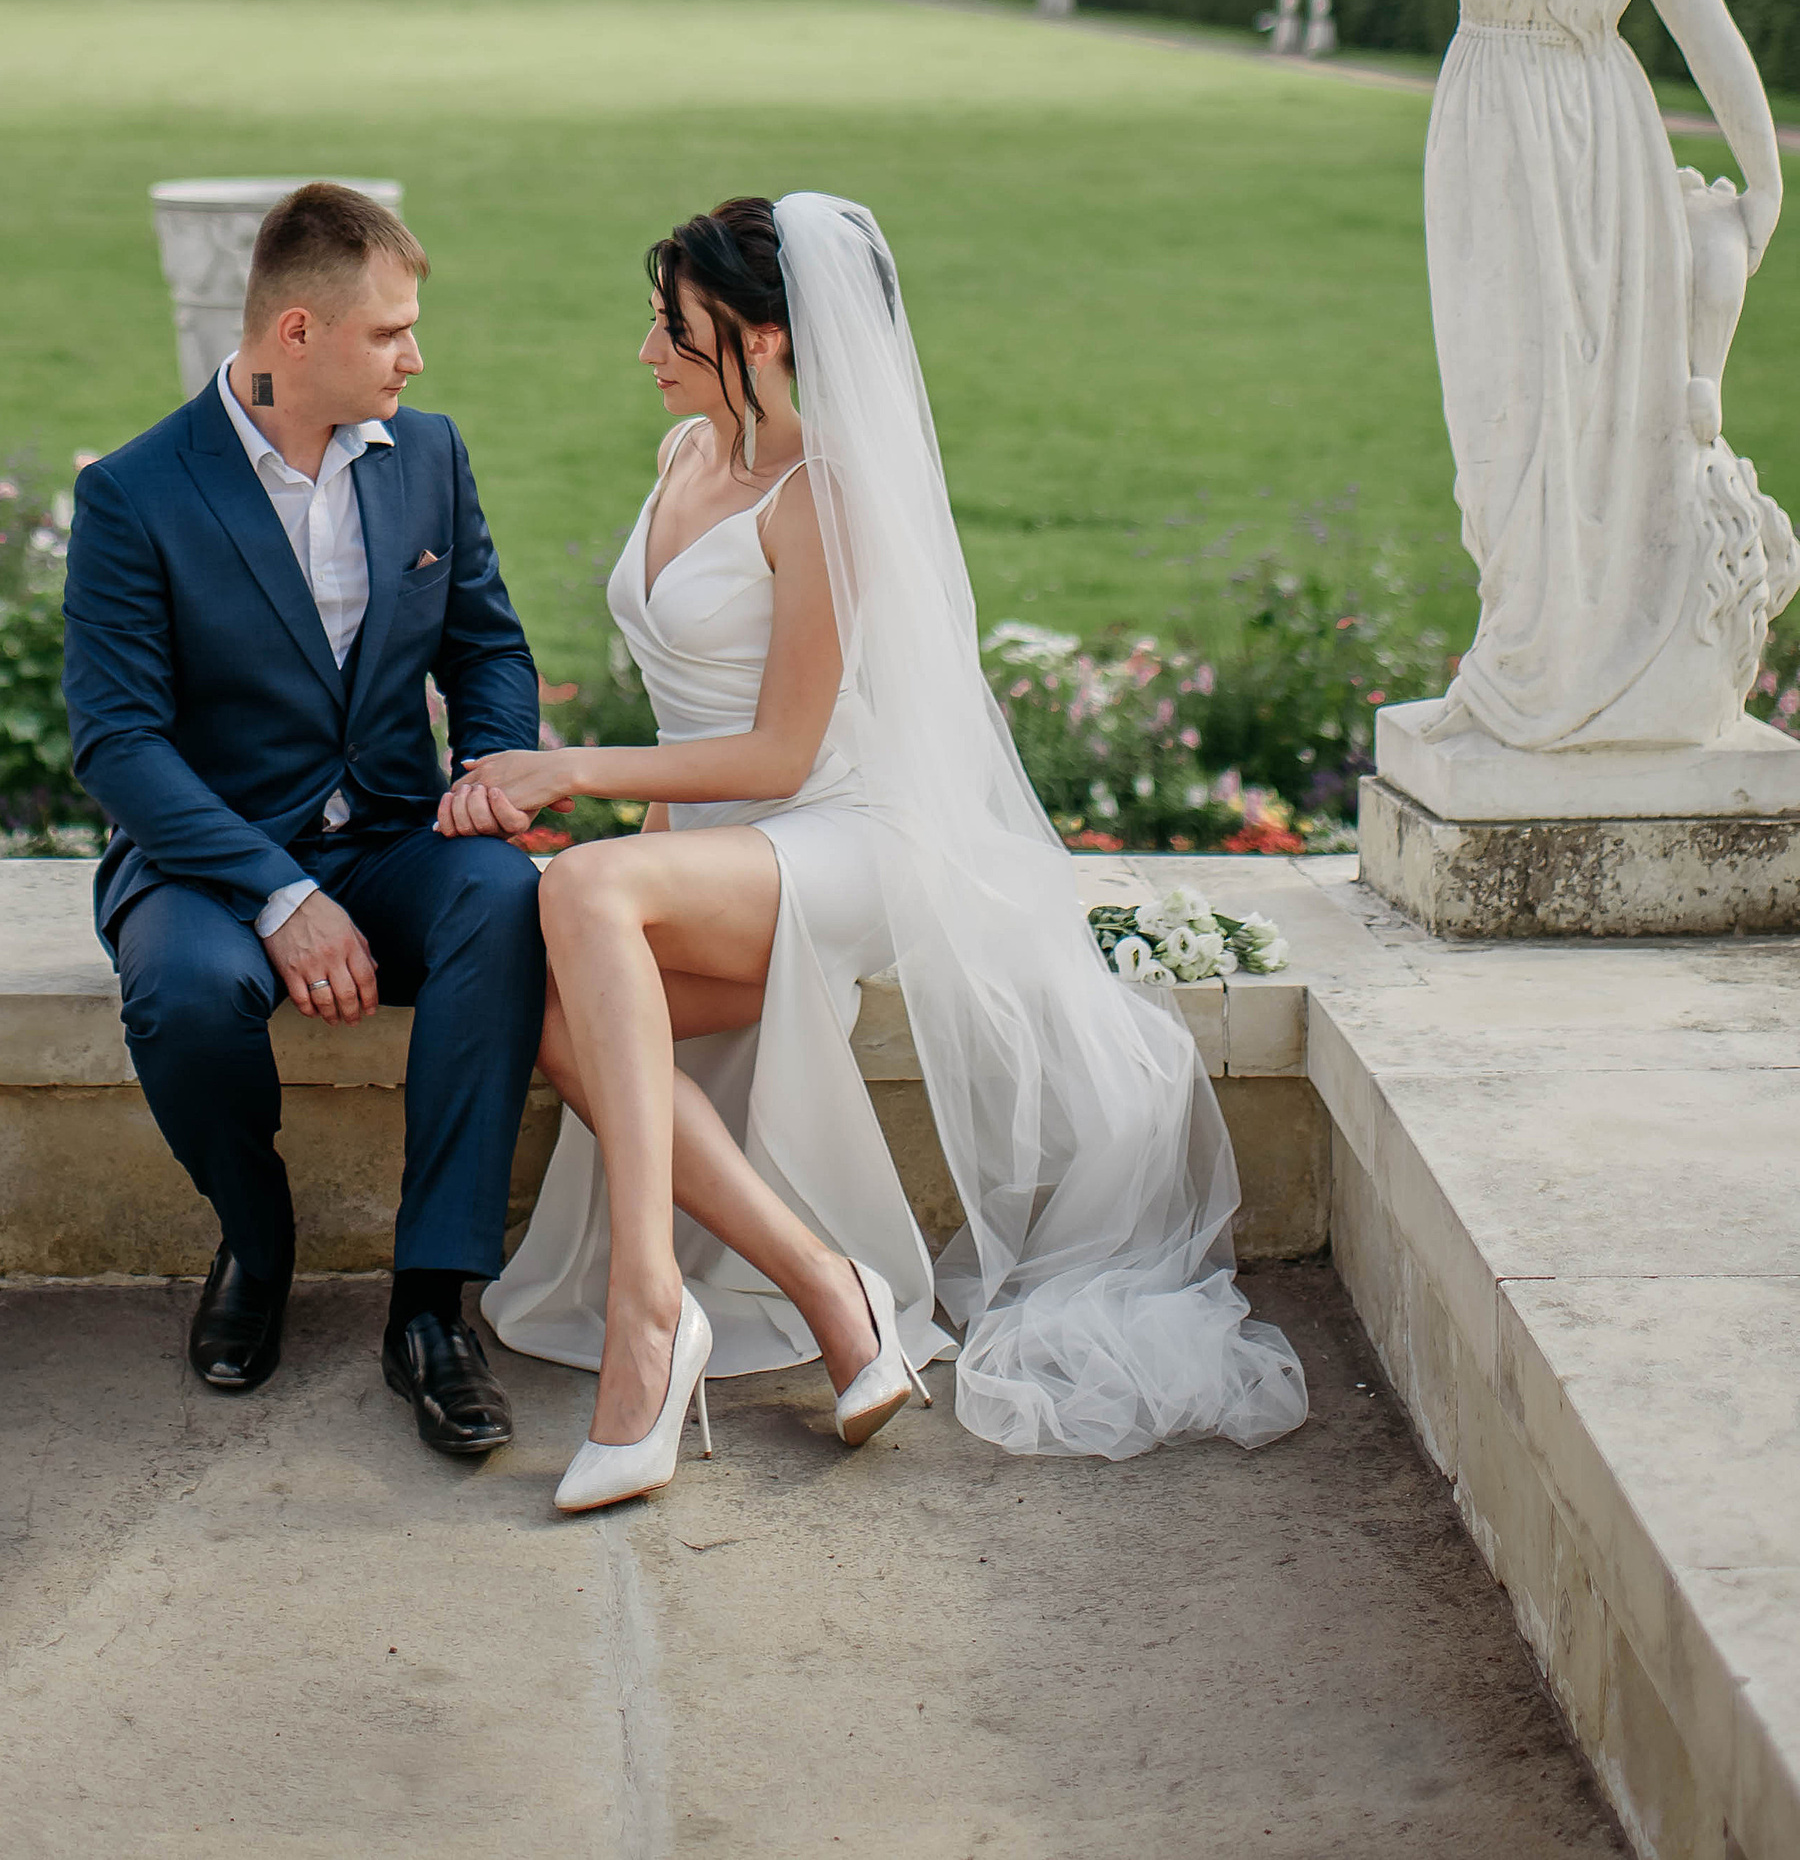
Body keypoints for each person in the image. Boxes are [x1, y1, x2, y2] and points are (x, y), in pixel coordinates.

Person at [463, 193, 1308, 1514]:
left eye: (674, 329)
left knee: (573, 881)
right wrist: (640, 833)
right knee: (527, 987)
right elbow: (697, 720)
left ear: (769, 338)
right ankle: (826, 1279)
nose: (647, 352)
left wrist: (573, 769)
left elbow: (784, 751)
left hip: (843, 837)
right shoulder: (686, 455)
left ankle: (647, 1310)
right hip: (713, 847)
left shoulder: (829, 499)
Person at [64, 182, 548, 1458]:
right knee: (180, 992)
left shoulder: (430, 457)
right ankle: (257, 1236)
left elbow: (489, 649)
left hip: (391, 832)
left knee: (504, 900)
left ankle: (433, 1305)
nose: (415, 355)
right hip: (206, 858)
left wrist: (489, 766)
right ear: (296, 332)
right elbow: (116, 742)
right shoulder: (135, 493)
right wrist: (281, 895)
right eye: (389, 332)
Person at [1258, 0, 1793, 747]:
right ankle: (1582, 668)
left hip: (1500, 126)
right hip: (1607, 131)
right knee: (1608, 411)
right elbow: (1713, 45)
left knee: (1510, 410)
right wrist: (1763, 185)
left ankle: (1529, 668)